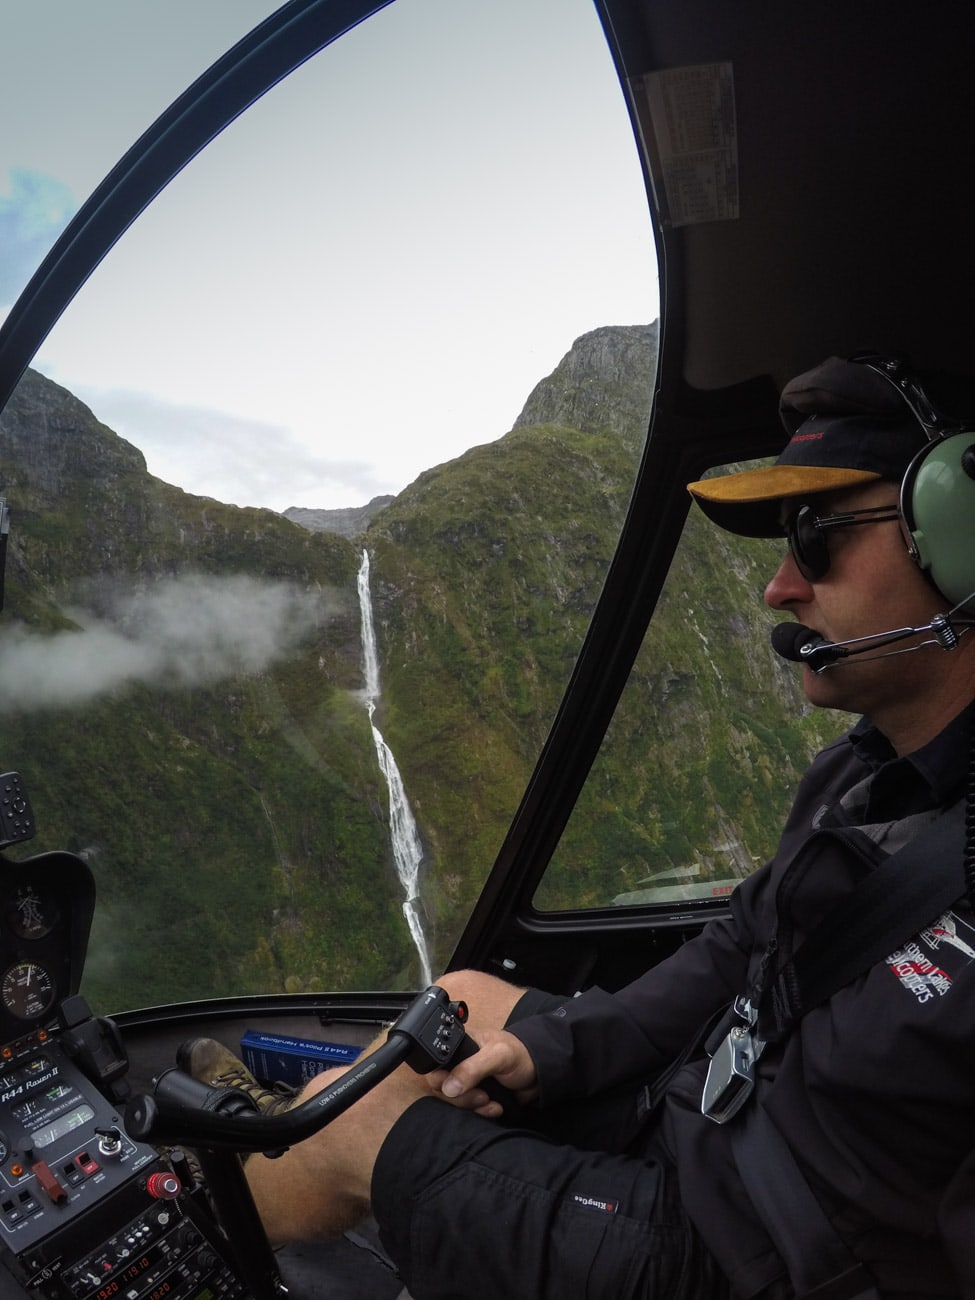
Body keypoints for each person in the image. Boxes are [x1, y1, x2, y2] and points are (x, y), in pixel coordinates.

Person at [188, 354, 975, 1298]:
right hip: (718, 1126)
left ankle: (184, 1224)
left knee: (341, 1123)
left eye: (815, 536)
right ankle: (260, 1163)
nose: (777, 588)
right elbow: (738, 952)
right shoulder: (862, 773)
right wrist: (550, 1054)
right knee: (466, 999)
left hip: (742, 1252)